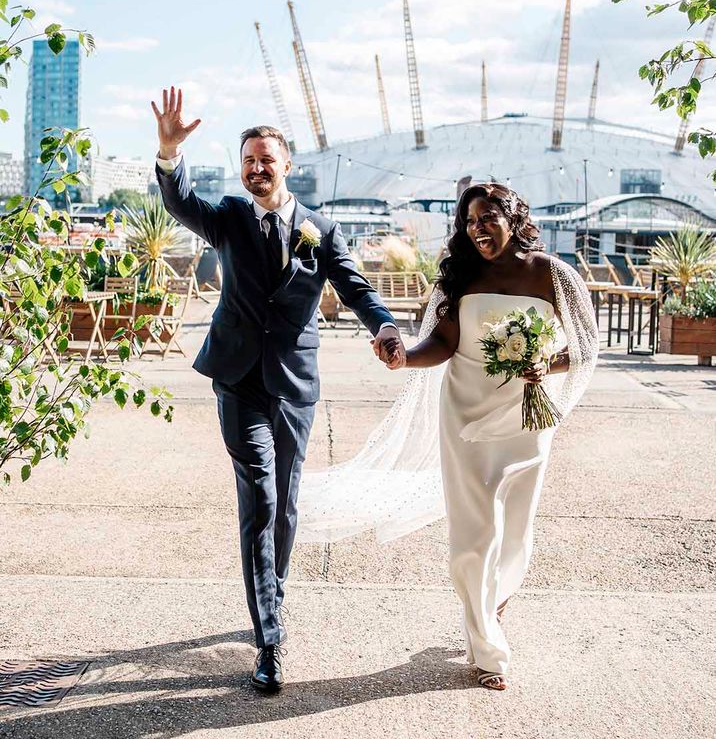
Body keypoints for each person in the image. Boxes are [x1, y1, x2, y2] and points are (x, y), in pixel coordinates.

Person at [152, 86, 405, 693]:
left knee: (285, 506)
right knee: (261, 497)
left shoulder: (320, 227)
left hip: (293, 385)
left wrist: (388, 327)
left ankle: (273, 592)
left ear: (287, 165)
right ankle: (269, 638)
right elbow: (181, 202)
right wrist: (168, 153)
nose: (257, 168)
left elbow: (357, 287)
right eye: (248, 161)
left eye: (267, 159)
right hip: (237, 379)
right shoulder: (231, 218)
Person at [378, 183, 598, 690]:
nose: (478, 228)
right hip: (465, 412)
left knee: (515, 528)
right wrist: (405, 357)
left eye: (488, 217)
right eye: (469, 220)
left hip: (528, 415)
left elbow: (585, 346)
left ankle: (493, 601)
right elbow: (441, 343)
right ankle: (487, 650)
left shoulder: (552, 274)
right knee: (473, 534)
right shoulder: (460, 275)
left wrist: (549, 360)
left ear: (513, 218)